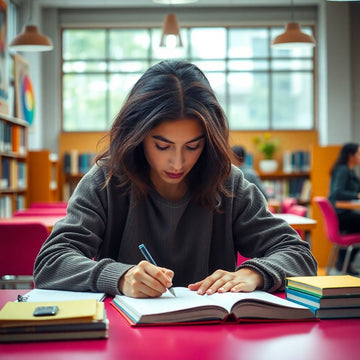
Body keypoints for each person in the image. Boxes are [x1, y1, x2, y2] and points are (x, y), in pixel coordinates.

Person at [34, 60, 317, 298]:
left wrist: (254, 273)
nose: (178, 162)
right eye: (162, 145)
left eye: (193, 146)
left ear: (208, 141)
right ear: (138, 135)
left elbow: (299, 254)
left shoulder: (229, 184)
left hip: (215, 335)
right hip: (125, 337)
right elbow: (51, 262)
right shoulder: (104, 181)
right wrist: (120, 277)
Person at [328, 142, 360, 276]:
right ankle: (344, 263)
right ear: (351, 155)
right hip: (340, 215)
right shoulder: (343, 170)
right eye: (359, 153)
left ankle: (343, 263)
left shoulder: (349, 170)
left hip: (345, 214)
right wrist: (356, 195)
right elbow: (337, 192)